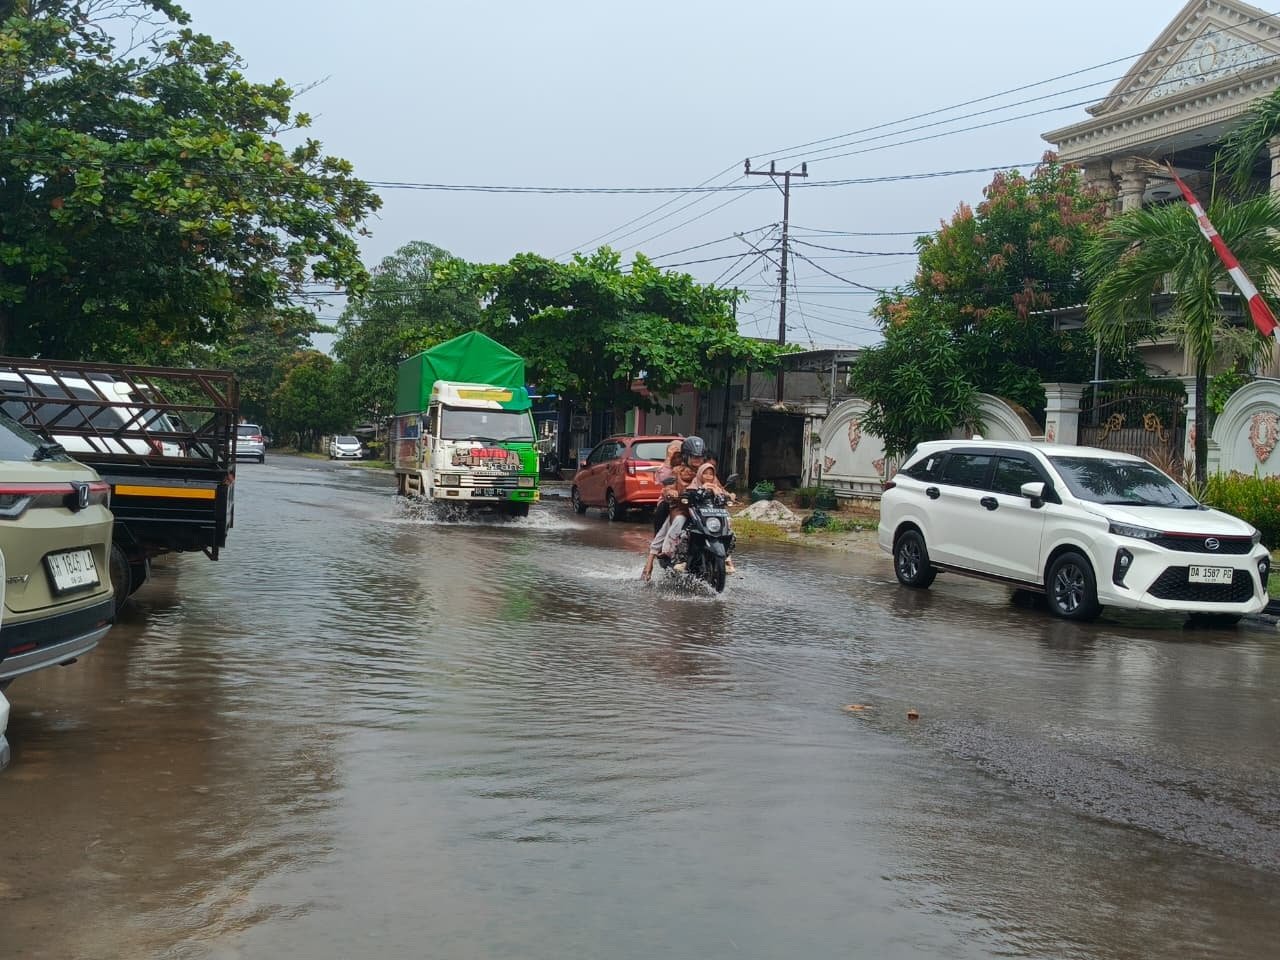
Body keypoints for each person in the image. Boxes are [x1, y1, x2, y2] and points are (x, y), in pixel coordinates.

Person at [641, 460, 694, 580]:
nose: (689, 472)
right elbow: (666, 489)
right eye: (687, 469)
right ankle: (659, 555)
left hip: (698, 510)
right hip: (677, 508)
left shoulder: (703, 472)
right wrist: (670, 492)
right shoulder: (676, 473)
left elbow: (718, 487)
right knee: (670, 523)